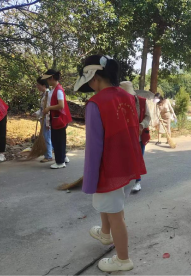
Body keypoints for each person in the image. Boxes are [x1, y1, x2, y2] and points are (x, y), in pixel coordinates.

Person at [74, 55, 146, 272]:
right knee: (112, 204)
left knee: (116, 214)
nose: (89, 86)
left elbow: (94, 147)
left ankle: (123, 259)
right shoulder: (127, 96)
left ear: (94, 77)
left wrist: (90, 178)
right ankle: (105, 234)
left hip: (109, 166)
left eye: (89, 81)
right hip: (127, 162)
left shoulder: (96, 104)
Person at [119, 81, 151, 193]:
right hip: (124, 137)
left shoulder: (141, 102)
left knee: (138, 159)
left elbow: (148, 117)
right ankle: (123, 181)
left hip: (139, 137)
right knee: (123, 160)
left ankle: (137, 182)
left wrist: (142, 125)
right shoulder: (118, 102)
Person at [42, 69, 72, 169]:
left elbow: (61, 105)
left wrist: (49, 108)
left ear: (52, 78)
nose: (47, 81)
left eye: (48, 79)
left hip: (58, 118)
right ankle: (63, 158)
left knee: (57, 140)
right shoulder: (55, 89)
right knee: (60, 140)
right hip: (57, 118)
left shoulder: (58, 90)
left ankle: (60, 162)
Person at [35, 77, 53, 163]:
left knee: (47, 138)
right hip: (44, 118)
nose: (37, 86)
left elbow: (48, 109)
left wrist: (48, 123)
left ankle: (48, 156)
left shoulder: (48, 95)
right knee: (47, 137)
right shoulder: (44, 94)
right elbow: (43, 108)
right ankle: (49, 153)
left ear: (43, 85)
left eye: (38, 85)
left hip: (47, 119)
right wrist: (37, 113)